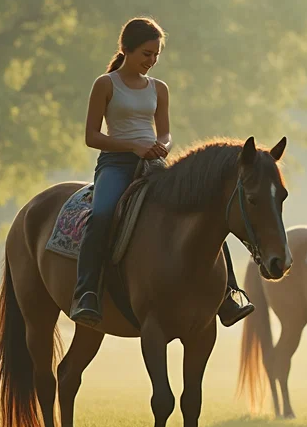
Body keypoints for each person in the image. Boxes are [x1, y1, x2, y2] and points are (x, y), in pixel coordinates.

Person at [69, 18, 253, 328]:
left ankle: (227, 294)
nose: (151, 61)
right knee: (101, 215)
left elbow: (166, 133)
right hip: (116, 165)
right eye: (146, 53)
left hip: (154, 165)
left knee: (207, 212)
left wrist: (162, 146)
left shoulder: (159, 88)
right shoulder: (105, 84)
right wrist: (133, 147)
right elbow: (92, 136)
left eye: (156, 55)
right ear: (125, 49)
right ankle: (86, 291)